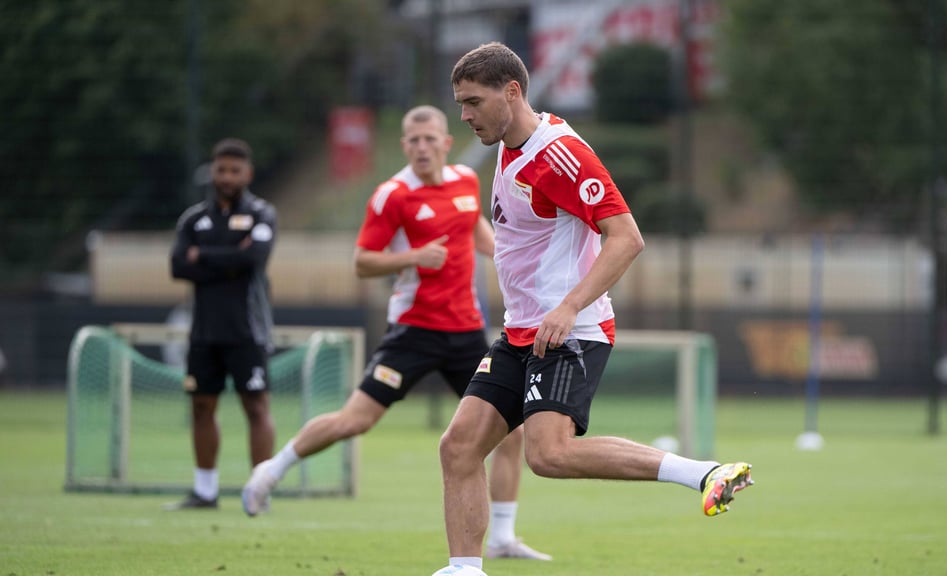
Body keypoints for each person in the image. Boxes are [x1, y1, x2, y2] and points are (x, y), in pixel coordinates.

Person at [431, 42, 754, 574]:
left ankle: (703, 472)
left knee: (548, 455)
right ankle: (465, 570)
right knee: (459, 446)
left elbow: (626, 237)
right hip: (522, 333)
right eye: (460, 103)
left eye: (473, 102)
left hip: (569, 331)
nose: (464, 115)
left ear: (511, 93)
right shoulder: (512, 142)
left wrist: (567, 306)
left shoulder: (559, 154)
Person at [241, 105, 551, 561]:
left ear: (446, 142)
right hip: (413, 333)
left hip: (465, 332)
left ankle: (503, 537)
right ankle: (271, 470)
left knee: (509, 434)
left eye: (430, 139)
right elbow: (363, 262)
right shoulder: (392, 196)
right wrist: (413, 257)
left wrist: (509, 256)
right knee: (355, 420)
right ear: (405, 146)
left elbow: (475, 230)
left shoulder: (466, 180)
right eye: (413, 141)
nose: (422, 147)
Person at [166, 137, 277, 510]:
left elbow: (254, 259)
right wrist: (230, 256)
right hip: (204, 333)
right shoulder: (193, 218)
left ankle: (259, 491)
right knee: (201, 406)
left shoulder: (263, 214)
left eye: (235, 170)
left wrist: (205, 258)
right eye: (221, 169)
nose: (227, 176)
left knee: (256, 407)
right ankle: (205, 490)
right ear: (211, 172)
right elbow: (178, 266)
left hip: (248, 330)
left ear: (248, 173)